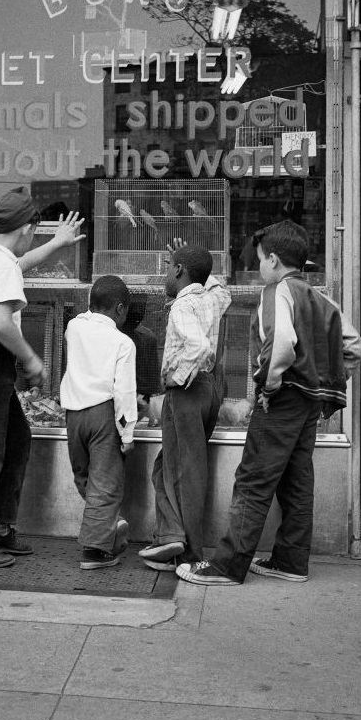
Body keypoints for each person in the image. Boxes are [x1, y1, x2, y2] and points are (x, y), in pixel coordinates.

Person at [176, 220, 361, 586]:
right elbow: (353, 347)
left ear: (273, 260)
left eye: (260, 260)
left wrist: (270, 386)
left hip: (282, 399)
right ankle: (291, 562)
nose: (259, 267)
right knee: (296, 479)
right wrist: (329, 386)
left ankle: (228, 566)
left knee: (253, 478)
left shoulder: (277, 292)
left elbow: (280, 343)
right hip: (309, 404)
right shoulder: (322, 299)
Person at [0, 188, 85, 567]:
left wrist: (56, 244)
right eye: (35, 231)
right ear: (25, 228)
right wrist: (33, 360)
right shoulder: (0, 264)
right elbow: (2, 324)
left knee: (16, 437)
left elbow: (21, 264)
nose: (33, 237)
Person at [138, 244, 231, 571]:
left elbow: (200, 346)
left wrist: (177, 376)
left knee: (185, 472)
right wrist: (202, 266)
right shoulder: (212, 298)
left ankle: (189, 552)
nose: (165, 273)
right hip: (209, 391)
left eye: (168, 266)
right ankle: (170, 537)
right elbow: (223, 291)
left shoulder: (182, 306)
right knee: (168, 466)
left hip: (187, 390)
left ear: (179, 271)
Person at [61, 275, 137, 570]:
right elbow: (124, 391)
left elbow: (83, 316)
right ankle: (95, 551)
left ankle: (108, 524)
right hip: (103, 415)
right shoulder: (123, 342)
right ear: (120, 309)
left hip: (73, 416)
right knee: (106, 483)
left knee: (85, 477)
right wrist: (127, 433)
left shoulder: (73, 327)